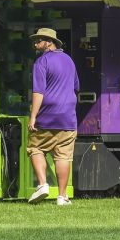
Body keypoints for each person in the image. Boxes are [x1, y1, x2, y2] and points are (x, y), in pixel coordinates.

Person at [27, 27, 79, 206]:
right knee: (63, 156)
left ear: (49, 42)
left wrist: (33, 116)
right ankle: (62, 196)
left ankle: (42, 185)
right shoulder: (69, 60)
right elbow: (75, 88)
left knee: (35, 147)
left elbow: (38, 91)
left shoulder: (41, 62)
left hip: (47, 115)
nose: (36, 43)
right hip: (68, 117)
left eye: (39, 40)